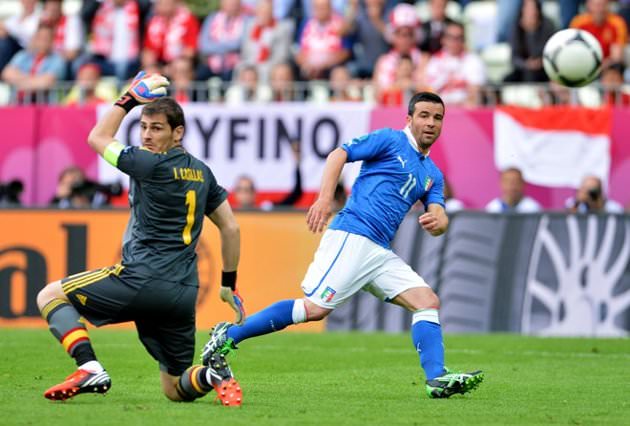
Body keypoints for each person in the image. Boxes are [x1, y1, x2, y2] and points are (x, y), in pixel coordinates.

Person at [201, 92, 484, 399]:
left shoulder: (432, 174)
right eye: (424, 115)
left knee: (426, 301)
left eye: (437, 118)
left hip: (378, 251)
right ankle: (228, 336)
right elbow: (339, 154)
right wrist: (324, 198)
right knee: (315, 309)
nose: (430, 123)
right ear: (409, 119)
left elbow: (439, 214)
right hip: (352, 235)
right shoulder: (390, 140)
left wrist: (440, 223)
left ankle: (437, 379)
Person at [36, 72, 245, 406]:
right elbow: (231, 227)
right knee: (174, 388)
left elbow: (98, 137)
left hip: (142, 277)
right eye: (143, 127)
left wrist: (129, 99)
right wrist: (227, 284)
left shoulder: (147, 164)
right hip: (182, 292)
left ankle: (89, 366)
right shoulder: (203, 173)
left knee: (49, 296)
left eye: (157, 128)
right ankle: (212, 374)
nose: (147, 135)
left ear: (178, 134)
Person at [504, 0, 556, 83]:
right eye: (527, 8)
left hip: (544, 68)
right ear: (522, 10)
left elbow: (553, 50)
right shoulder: (516, 27)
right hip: (523, 69)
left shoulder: (548, 25)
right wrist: (527, 64)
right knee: (507, 80)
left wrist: (533, 31)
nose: (531, 11)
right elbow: (514, 58)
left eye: (533, 8)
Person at [570, 0, 628, 68]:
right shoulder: (579, 22)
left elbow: (616, 57)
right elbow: (574, 50)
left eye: (602, 5)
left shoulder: (617, 23)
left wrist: (598, 67)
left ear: (608, 5)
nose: (599, 9)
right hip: (584, 65)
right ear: (588, 5)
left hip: (608, 67)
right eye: (596, 5)